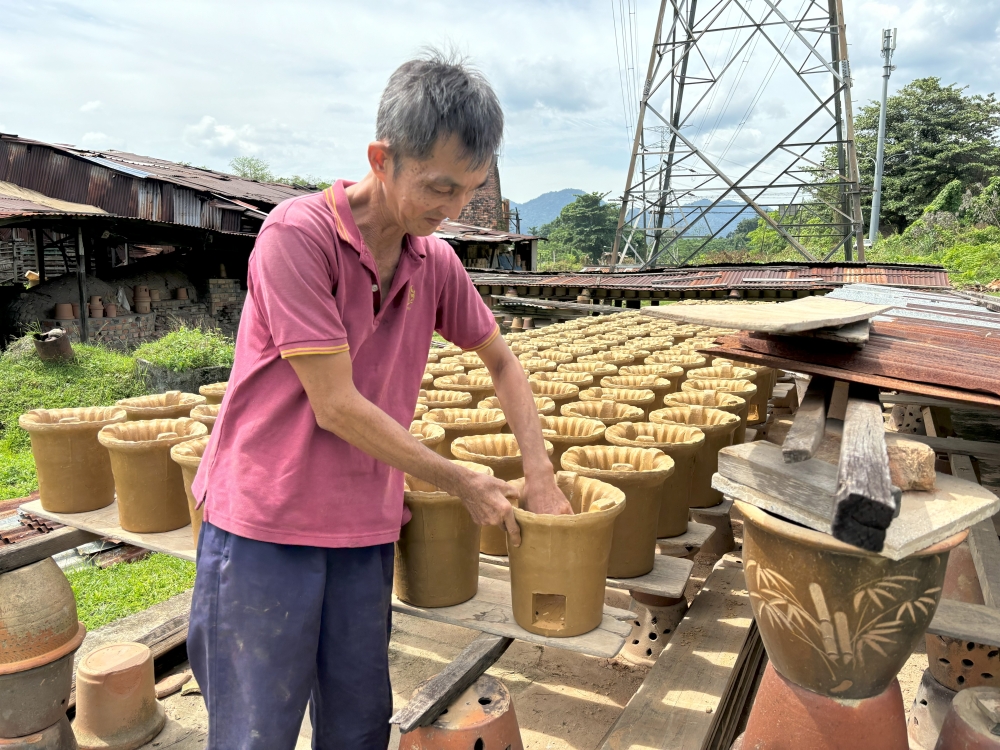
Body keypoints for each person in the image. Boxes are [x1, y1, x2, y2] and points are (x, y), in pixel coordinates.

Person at [187, 50, 572, 749]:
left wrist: (540, 476)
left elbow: (504, 364)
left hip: (363, 533)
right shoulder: (298, 238)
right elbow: (334, 404)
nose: (453, 210)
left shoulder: (435, 261)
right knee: (255, 731)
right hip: (264, 527)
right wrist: (460, 479)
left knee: (359, 726)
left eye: (470, 192)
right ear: (381, 157)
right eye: (439, 188)